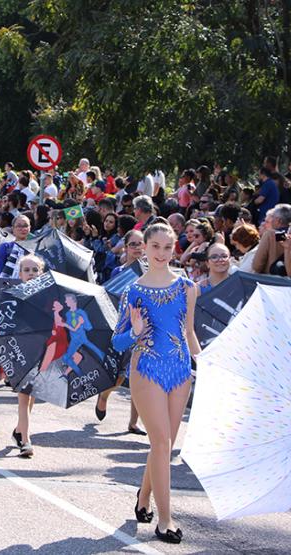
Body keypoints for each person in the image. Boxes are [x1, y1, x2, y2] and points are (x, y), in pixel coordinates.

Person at [113, 222, 199, 544]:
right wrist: (134, 332)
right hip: (146, 370)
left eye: (167, 247)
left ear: (174, 248)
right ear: (144, 249)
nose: (162, 253)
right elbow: (118, 342)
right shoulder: (133, 291)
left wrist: (202, 360)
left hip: (179, 372)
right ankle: (165, 521)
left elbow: (189, 333)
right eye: (155, 247)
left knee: (163, 446)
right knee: (161, 443)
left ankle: (143, 497)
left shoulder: (188, 287)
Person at [12, 254, 46, 458]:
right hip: (21, 351)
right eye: (27, 270)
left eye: (35, 270)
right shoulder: (14, 295)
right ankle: (26, 440)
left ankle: (19, 430)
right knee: (24, 398)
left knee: (32, 395)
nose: (31, 274)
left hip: (42, 352)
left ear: (41, 273)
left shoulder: (48, 297)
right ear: (20, 273)